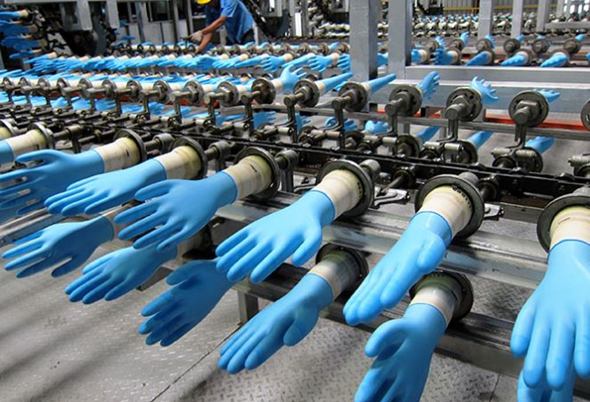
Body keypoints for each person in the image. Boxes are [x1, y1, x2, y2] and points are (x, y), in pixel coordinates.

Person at [189, 0, 255, 52]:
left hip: (244, 29)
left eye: (208, 3)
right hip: (232, 33)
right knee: (230, 55)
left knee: (249, 53)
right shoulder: (209, 8)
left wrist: (201, 32)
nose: (207, 5)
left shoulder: (229, 1)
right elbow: (209, 30)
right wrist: (200, 48)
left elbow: (221, 21)